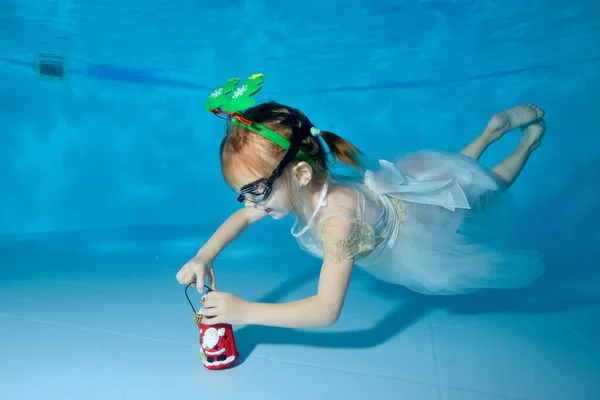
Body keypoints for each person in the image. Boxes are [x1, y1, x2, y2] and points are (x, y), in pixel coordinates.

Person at [176, 73, 546, 328]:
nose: (248, 202)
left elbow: (326, 309)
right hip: (400, 193)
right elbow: (241, 218)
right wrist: (204, 255)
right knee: (455, 182)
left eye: (254, 190)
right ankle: (489, 132)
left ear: (301, 175)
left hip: (418, 227)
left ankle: (527, 143)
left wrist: (246, 311)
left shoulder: (338, 222)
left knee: (485, 193)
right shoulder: (301, 186)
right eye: (242, 193)